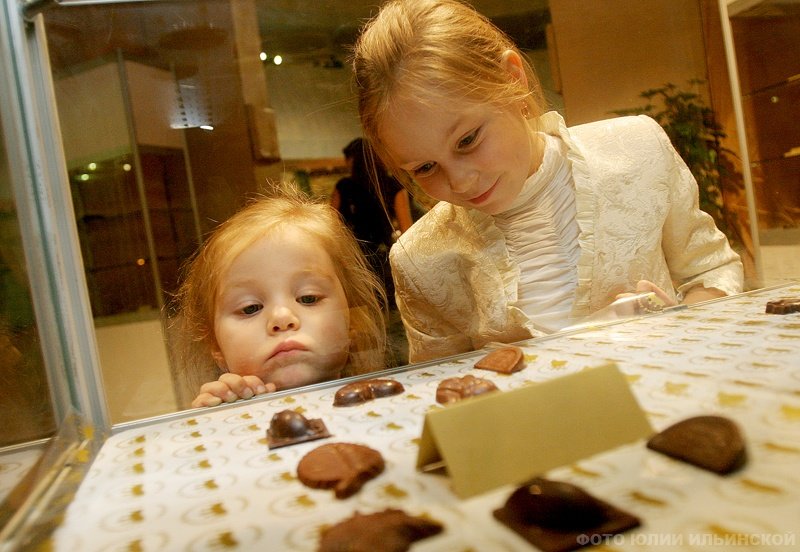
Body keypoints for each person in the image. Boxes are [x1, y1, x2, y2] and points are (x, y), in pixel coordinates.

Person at [352, 0, 744, 363]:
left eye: (468, 140)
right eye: (424, 168)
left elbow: (709, 271)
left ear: (513, 79)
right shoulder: (419, 260)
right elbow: (437, 386)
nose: (461, 181)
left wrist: (680, 320)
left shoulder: (637, 149)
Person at [172, 188, 387, 408]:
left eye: (308, 298)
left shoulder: (387, 407)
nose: (282, 318)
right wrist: (216, 425)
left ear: (353, 318)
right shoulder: (219, 419)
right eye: (250, 308)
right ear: (215, 345)